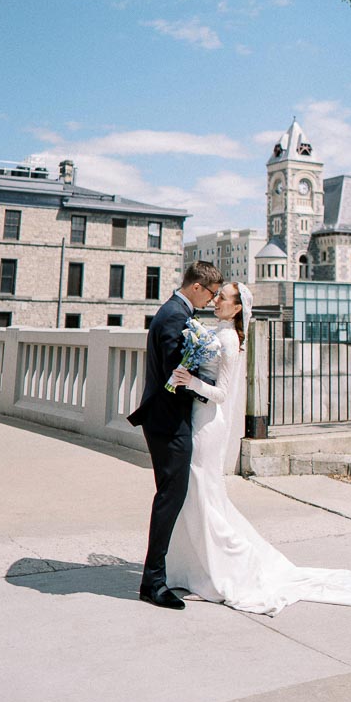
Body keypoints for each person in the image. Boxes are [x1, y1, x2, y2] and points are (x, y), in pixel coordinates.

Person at [166, 281, 351, 617]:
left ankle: (217, 572)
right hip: (198, 415)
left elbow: (223, 393)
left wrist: (190, 381)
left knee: (202, 493)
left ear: (237, 307)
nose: (216, 301)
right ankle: (196, 568)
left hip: (208, 422)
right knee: (197, 494)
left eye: (222, 298)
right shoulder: (218, 330)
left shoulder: (227, 338)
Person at [128, 260, 224, 609]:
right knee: (170, 497)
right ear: (197, 286)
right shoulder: (174, 317)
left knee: (171, 496)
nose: (212, 301)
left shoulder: (173, 312)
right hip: (168, 422)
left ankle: (159, 575)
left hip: (167, 420)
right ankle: (153, 582)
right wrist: (204, 389)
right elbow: (175, 376)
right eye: (211, 293)